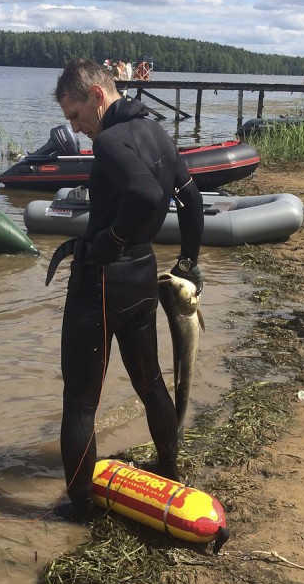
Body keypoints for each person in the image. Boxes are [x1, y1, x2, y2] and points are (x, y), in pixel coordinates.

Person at [49, 59, 204, 523]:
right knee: (150, 381)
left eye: (76, 116)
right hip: (142, 275)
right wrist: (189, 265)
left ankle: (80, 513)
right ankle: (169, 470)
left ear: (97, 95)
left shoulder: (113, 142)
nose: (77, 129)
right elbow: (190, 198)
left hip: (100, 279)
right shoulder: (157, 133)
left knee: (79, 402)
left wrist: (109, 241)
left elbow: (147, 196)